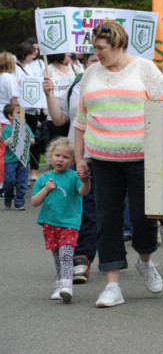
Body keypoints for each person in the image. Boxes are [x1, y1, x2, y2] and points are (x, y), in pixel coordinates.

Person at [73, 21, 163, 307]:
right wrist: (80, 158)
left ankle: (145, 260)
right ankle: (112, 285)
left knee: (144, 219)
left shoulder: (146, 69)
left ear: (117, 45)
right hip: (102, 161)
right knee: (107, 221)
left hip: (142, 160)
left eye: (101, 48)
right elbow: (81, 122)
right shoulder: (90, 73)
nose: (96, 53)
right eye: (94, 47)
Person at [43, 52, 99, 284]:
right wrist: (49, 95)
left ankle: (115, 253)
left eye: (100, 58)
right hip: (79, 156)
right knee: (83, 208)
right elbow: (59, 120)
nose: (97, 63)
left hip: (108, 156)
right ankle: (81, 258)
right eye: (92, 60)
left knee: (107, 210)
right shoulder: (76, 86)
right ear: (85, 64)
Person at [31, 137, 91, 303]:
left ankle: (67, 284)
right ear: (50, 156)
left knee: (66, 253)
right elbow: (34, 202)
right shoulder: (45, 179)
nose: (60, 159)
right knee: (57, 255)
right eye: (57, 155)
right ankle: (60, 284)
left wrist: (86, 180)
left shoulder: (73, 176)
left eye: (65, 157)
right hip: (50, 223)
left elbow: (83, 191)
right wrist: (45, 189)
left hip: (69, 223)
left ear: (72, 160)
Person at [14, 41, 44, 181]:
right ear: (25, 54)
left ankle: (29, 172)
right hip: (22, 109)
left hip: (32, 109)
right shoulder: (15, 69)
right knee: (21, 143)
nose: (34, 57)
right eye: (31, 54)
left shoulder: (28, 68)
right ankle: (20, 175)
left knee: (32, 142)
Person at [3, 103, 34, 210]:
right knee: (9, 181)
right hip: (11, 160)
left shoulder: (26, 126)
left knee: (22, 182)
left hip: (24, 159)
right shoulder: (7, 129)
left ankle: (19, 202)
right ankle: (8, 195)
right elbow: (6, 143)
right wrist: (15, 133)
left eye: (22, 112)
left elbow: (32, 141)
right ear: (10, 116)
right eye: (18, 112)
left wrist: (25, 134)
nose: (21, 114)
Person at [0, 52, 20, 188]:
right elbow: (14, 100)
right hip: (8, 120)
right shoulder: (9, 78)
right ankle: (3, 183)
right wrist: (21, 119)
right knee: (7, 153)